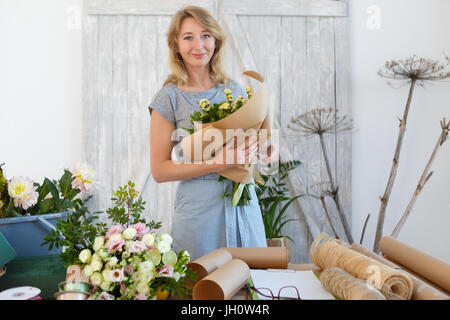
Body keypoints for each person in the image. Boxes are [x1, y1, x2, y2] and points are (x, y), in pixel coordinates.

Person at [148, 5, 273, 260]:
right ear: (176, 45)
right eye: (188, 37)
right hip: (198, 211)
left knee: (250, 285)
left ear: (216, 40)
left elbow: (255, 143)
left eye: (206, 35)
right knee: (199, 288)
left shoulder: (235, 90)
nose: (199, 45)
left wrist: (263, 148)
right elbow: (160, 170)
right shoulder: (169, 98)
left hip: (242, 206)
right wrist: (216, 164)